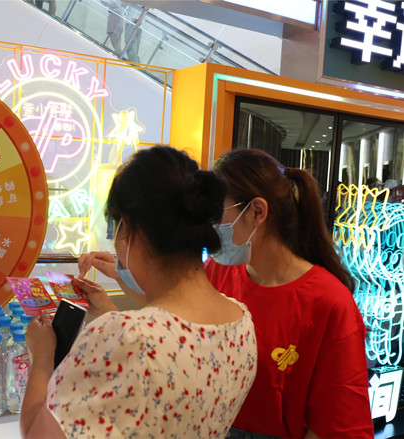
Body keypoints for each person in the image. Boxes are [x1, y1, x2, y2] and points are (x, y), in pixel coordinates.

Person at [78, 148, 373, 439]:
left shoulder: (329, 302)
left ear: (257, 212)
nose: (209, 228)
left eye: (215, 215)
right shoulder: (221, 271)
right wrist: (120, 277)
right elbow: (177, 319)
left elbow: (338, 422)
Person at [21, 146, 257, 438]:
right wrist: (108, 312)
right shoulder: (242, 322)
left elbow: (37, 433)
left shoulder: (126, 336)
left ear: (129, 228)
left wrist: (42, 355)